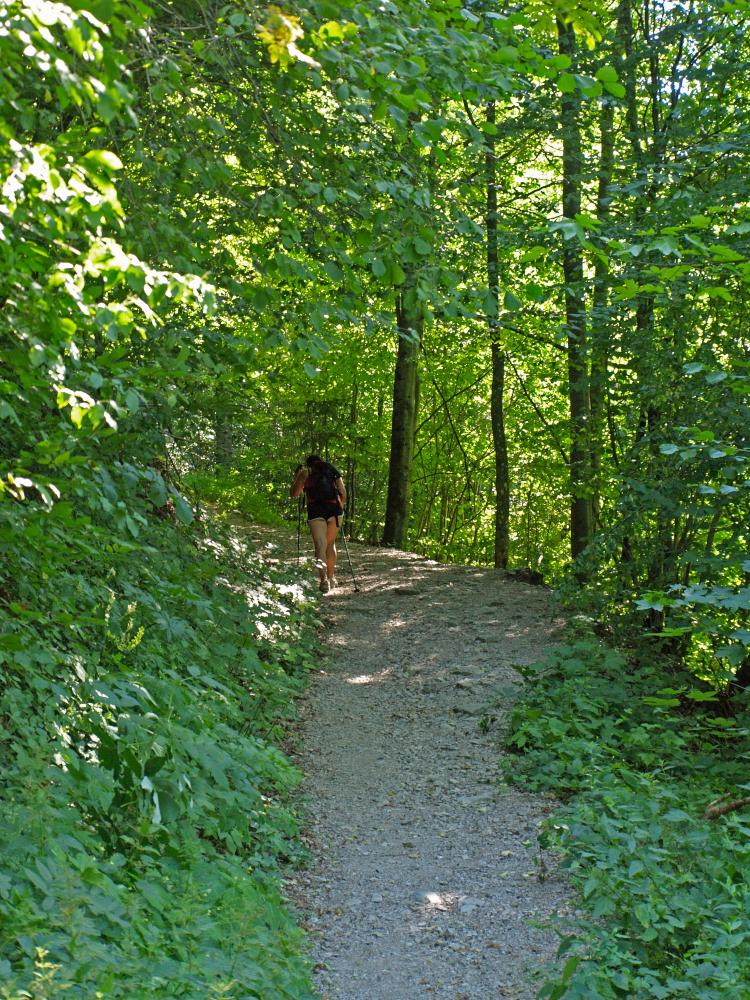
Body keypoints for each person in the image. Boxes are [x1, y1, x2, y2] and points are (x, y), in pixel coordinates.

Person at [290, 455, 346, 593]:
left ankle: (323, 581)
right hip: (335, 510)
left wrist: (298, 478)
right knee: (330, 544)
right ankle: (331, 577)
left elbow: (294, 493)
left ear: (308, 464)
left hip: (316, 511)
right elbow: (343, 492)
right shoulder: (332, 469)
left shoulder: (306, 472)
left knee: (320, 545)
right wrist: (341, 506)